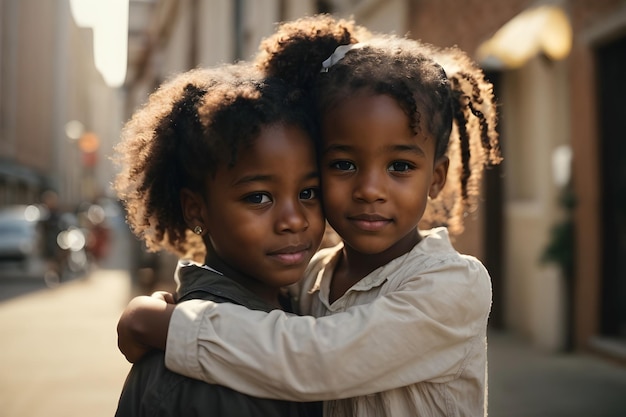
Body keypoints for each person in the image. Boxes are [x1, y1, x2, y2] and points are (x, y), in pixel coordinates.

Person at [117, 14, 502, 417]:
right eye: (343, 165)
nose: (370, 190)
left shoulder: (454, 285)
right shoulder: (312, 280)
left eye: (400, 167)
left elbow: (316, 358)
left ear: (436, 178)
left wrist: (169, 325)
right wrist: (175, 304)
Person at [112, 62, 325, 416]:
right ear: (196, 210)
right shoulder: (203, 377)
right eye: (258, 197)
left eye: (308, 192)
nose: (294, 220)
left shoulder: (308, 305)